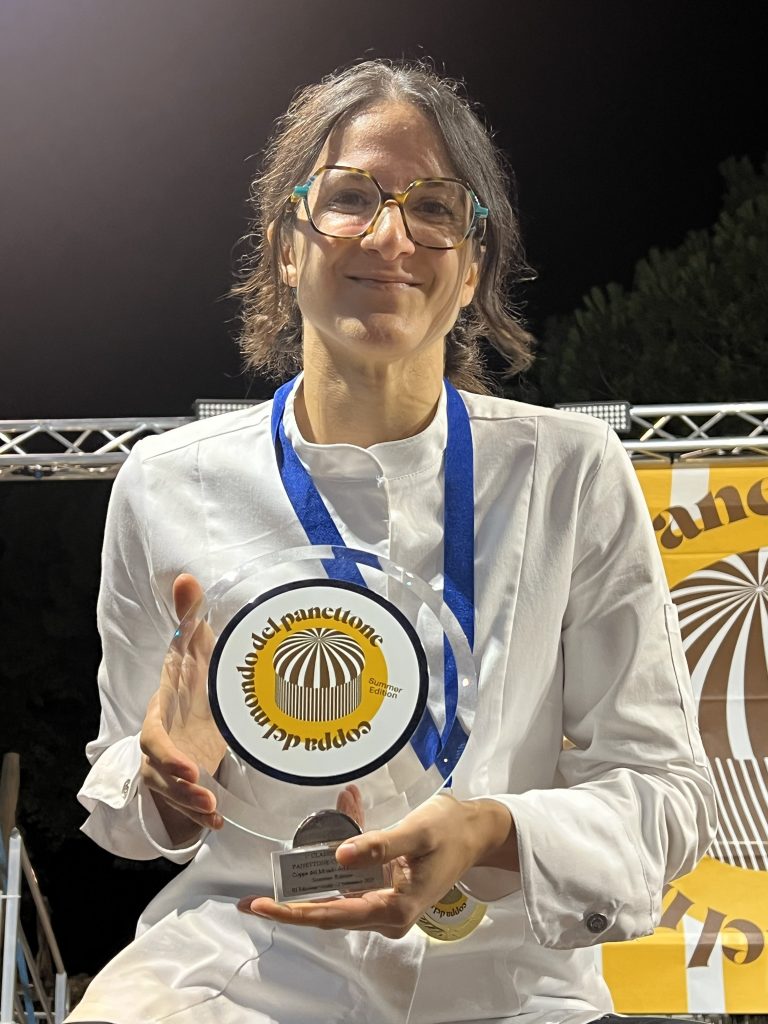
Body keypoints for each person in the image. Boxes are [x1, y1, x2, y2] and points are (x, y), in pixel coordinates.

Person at [66, 60, 716, 1024]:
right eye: (350, 198)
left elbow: (664, 792)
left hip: (511, 980)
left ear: (474, 267)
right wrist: (168, 783)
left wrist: (492, 830)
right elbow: (123, 786)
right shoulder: (169, 483)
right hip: (249, 953)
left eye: (435, 208)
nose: (390, 235)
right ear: (287, 247)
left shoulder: (569, 472)